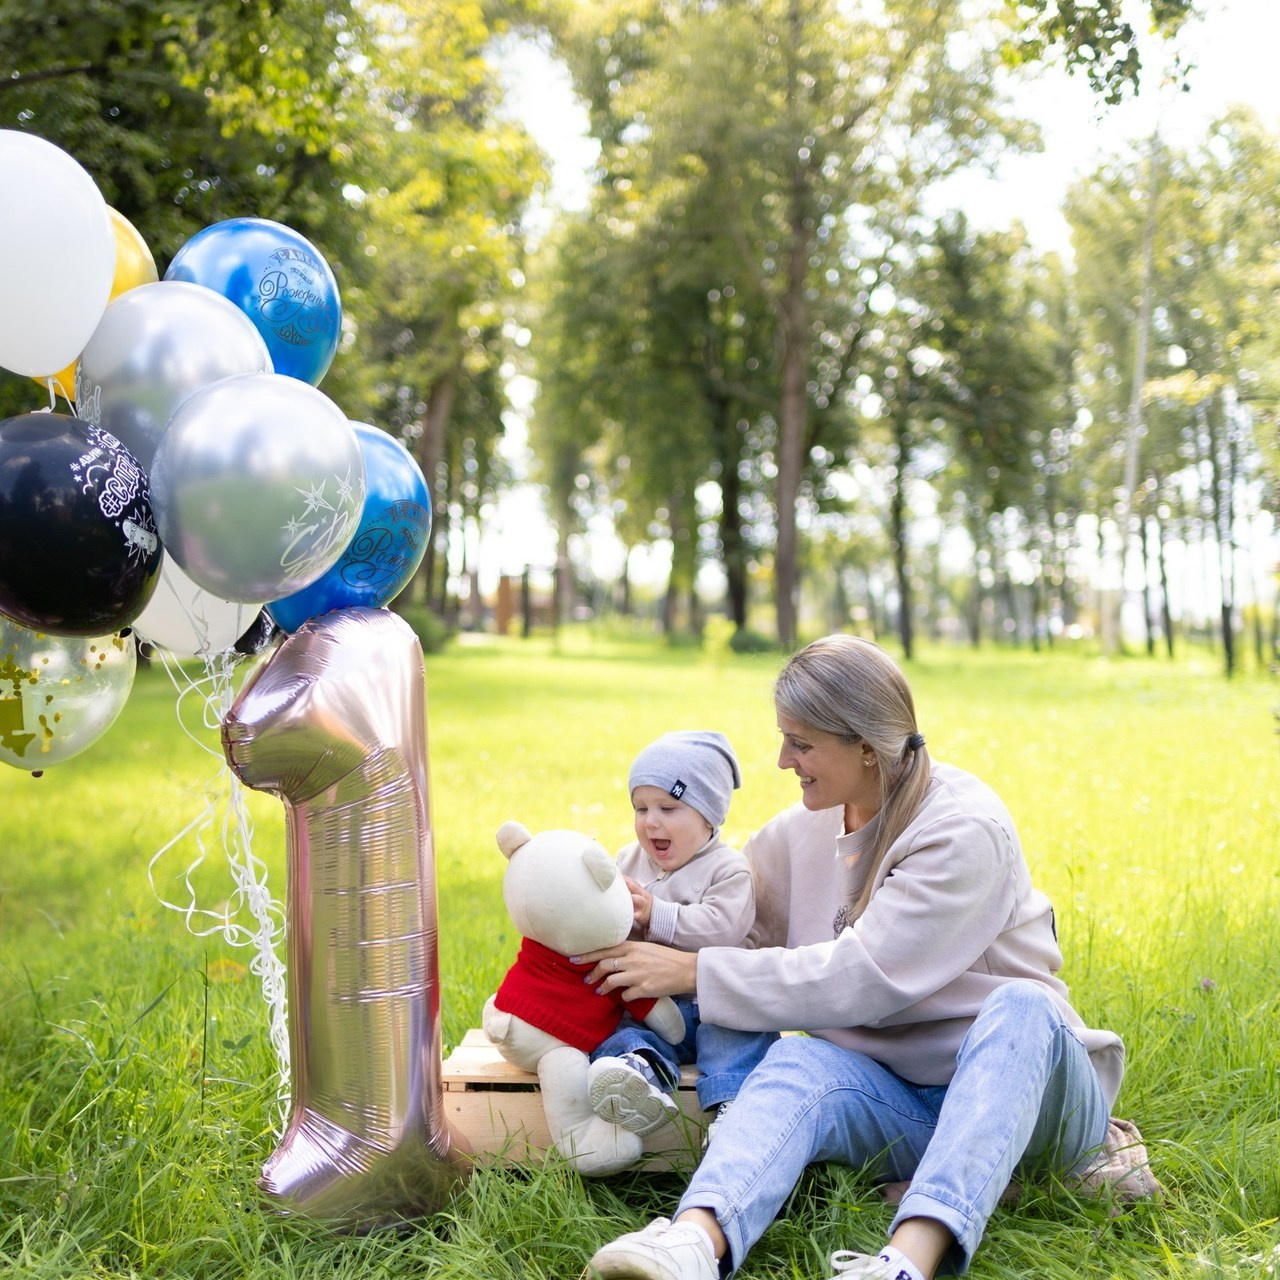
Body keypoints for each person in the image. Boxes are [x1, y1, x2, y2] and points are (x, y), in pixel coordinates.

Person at [577, 635, 1126, 1280]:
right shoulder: (798, 833)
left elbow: (861, 978)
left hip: (1032, 1106)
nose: (783, 760)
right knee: (798, 1060)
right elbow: (734, 935)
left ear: (866, 745)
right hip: (902, 1104)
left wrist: (695, 972)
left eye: (801, 743)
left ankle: (904, 1264)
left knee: (1022, 1005)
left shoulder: (963, 830)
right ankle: (693, 1242)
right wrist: (629, 919)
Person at [586, 730, 777, 1139]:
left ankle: (733, 1108)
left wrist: (656, 914)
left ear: (708, 816)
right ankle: (639, 1071)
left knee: (737, 1033)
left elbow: (723, 928)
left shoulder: (728, 868)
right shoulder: (627, 860)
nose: (651, 821)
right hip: (652, 1005)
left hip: (712, 1003)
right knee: (621, 1030)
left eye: (668, 808)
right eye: (641, 808)